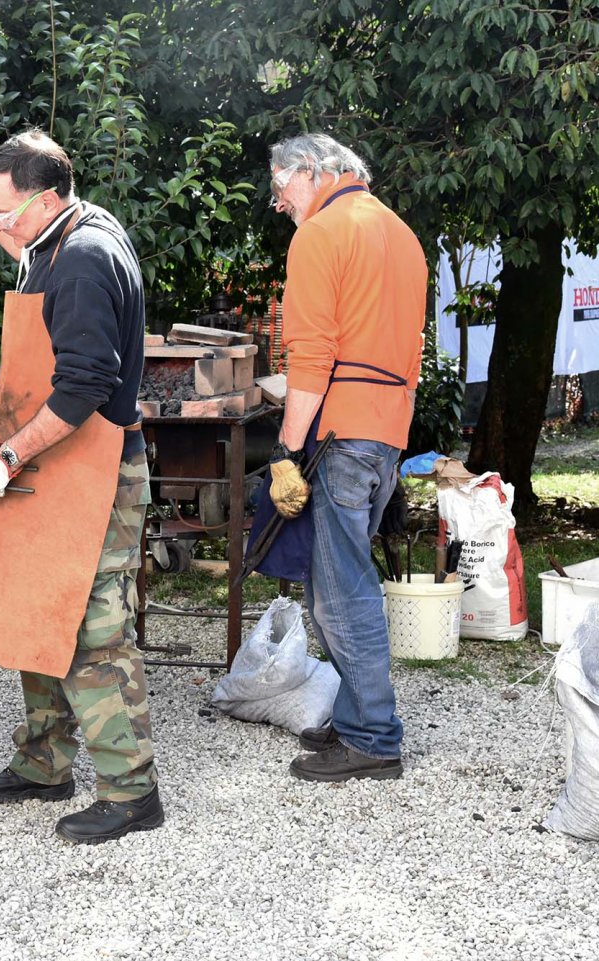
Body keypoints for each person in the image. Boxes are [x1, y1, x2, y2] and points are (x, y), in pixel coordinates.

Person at [0, 130, 162, 844]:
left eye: (8, 210)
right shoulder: (56, 235)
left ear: (47, 196)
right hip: (55, 462)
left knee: (94, 631)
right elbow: (25, 254)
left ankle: (131, 792)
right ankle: (44, 764)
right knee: (36, 607)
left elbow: (85, 386)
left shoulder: (87, 257)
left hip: (95, 468)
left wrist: (6, 455)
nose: (4, 223)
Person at [263, 133, 426, 782]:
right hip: (386, 429)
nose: (279, 203)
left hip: (341, 430)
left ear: (312, 170)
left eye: (280, 187)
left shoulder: (320, 233)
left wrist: (286, 447)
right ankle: (358, 714)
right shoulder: (400, 234)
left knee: (339, 592)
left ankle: (372, 737)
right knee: (339, 579)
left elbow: (311, 356)